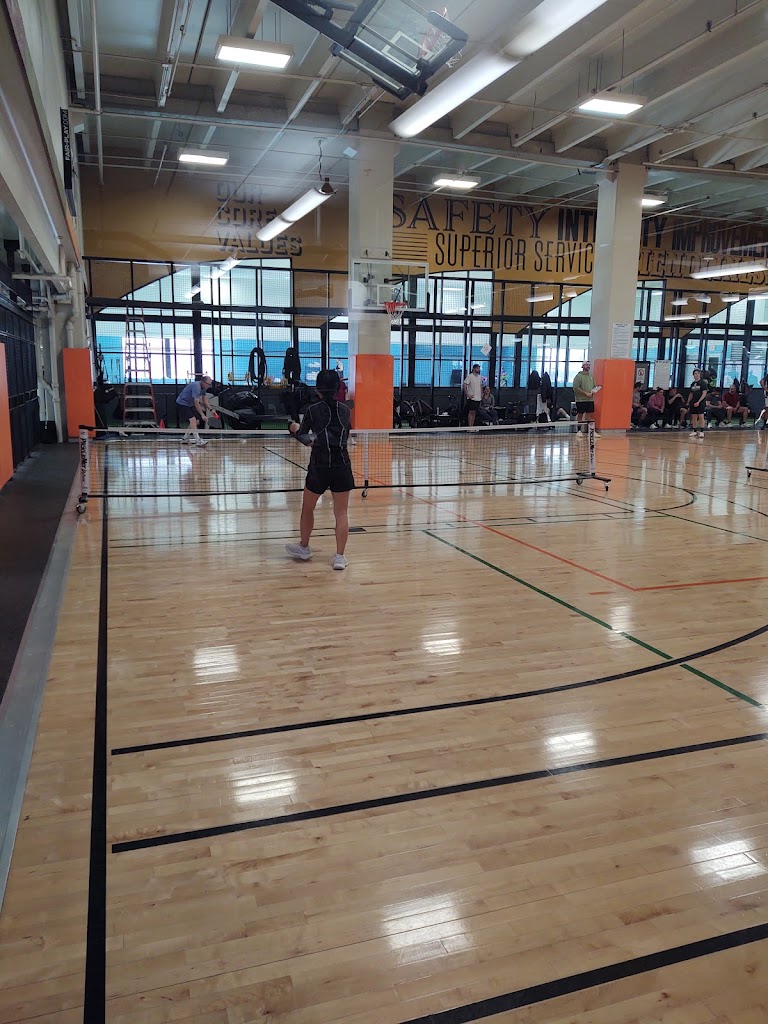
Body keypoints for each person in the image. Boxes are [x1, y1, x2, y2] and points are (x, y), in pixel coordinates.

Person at [285, 369, 354, 571]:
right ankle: (339, 557)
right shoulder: (345, 410)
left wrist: (293, 428)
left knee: (308, 508)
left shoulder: (312, 410)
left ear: (317, 389)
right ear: (338, 387)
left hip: (319, 466)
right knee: (341, 513)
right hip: (342, 464)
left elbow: (304, 436)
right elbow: (344, 434)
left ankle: (304, 547)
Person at [176, 375, 213, 446]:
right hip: (182, 403)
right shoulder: (196, 387)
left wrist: (211, 410)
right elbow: (196, 402)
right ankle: (198, 440)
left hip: (190, 404)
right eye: (208, 384)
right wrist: (202, 415)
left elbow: (204, 400)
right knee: (192, 419)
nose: (209, 386)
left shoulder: (204, 388)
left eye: (210, 384)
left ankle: (185, 439)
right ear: (203, 382)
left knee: (196, 421)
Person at [572, 360, 601, 437]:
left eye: (589, 365)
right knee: (580, 415)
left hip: (590, 400)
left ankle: (591, 432)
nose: (588, 366)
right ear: (583, 366)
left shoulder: (591, 376)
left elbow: (594, 386)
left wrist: (594, 390)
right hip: (581, 400)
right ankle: (579, 431)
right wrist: (586, 393)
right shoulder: (578, 376)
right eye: (586, 365)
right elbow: (576, 388)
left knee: (589, 416)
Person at [686, 369, 708, 439]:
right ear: (693, 375)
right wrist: (688, 401)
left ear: (700, 374)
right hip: (693, 402)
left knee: (701, 416)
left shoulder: (703, 383)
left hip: (701, 402)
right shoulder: (692, 384)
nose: (697, 375)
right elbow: (691, 393)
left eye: (698, 373)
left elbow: (704, 393)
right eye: (695, 373)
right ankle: (695, 430)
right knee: (694, 416)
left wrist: (699, 401)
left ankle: (702, 431)